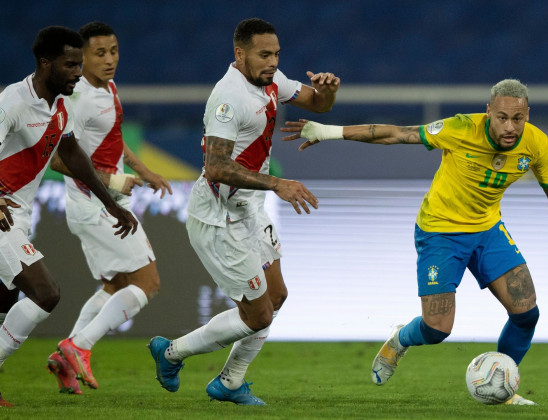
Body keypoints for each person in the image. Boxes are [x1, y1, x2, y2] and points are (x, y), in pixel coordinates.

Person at [281, 79, 548, 406]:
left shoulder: (536, 143)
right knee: (437, 328)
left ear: (527, 115)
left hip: (487, 230)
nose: (511, 126)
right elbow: (397, 134)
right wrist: (329, 132)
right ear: (489, 113)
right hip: (439, 232)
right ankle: (401, 339)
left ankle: (502, 387)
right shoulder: (460, 128)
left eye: (518, 119)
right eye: (502, 117)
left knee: (526, 312)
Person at [147, 18, 339, 405]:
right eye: (264, 55)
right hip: (218, 217)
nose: (272, 62)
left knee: (277, 296)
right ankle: (170, 352)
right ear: (240, 54)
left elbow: (318, 104)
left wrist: (327, 90)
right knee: (259, 315)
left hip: (249, 208)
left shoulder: (271, 81)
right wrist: (278, 184)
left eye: (276, 54)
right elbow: (216, 167)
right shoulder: (227, 97)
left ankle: (230, 382)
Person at [0, 25, 137, 400]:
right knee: (46, 294)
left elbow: (74, 155)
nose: (78, 72)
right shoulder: (12, 101)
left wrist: (111, 204)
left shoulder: (62, 106)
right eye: (70, 65)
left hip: (19, 215)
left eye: (79, 64)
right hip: (2, 214)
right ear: (46, 64)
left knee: (3, 303)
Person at [46, 22, 172, 394]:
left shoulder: (108, 88)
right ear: (81, 58)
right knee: (147, 284)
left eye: (114, 51)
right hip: (96, 204)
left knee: (115, 284)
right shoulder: (79, 99)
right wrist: (116, 181)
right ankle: (79, 346)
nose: (109, 59)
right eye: (99, 53)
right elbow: (57, 160)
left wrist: (143, 170)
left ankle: (63, 358)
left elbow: (113, 143)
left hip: (96, 204)